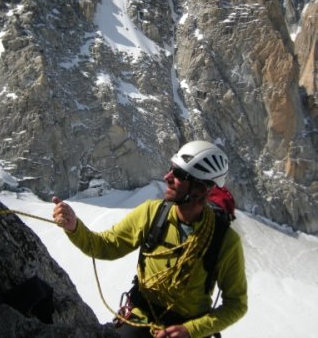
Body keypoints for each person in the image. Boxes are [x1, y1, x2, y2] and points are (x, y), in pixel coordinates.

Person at [52, 141, 247, 337]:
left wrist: (191, 330)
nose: (167, 177)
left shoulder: (225, 241)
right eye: (171, 169)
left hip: (186, 329)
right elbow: (106, 246)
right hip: (140, 316)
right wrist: (74, 227)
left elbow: (236, 304)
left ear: (200, 188)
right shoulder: (152, 213)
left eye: (178, 174)